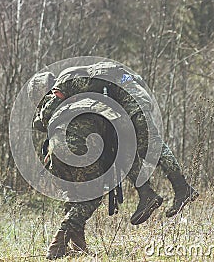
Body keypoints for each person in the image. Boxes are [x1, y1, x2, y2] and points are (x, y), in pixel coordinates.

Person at [28, 63, 198, 259]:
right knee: (94, 189)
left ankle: (174, 189)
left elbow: (44, 117)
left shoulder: (67, 86)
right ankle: (62, 241)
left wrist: (45, 109)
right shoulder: (90, 89)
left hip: (59, 149)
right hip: (87, 135)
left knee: (146, 145)